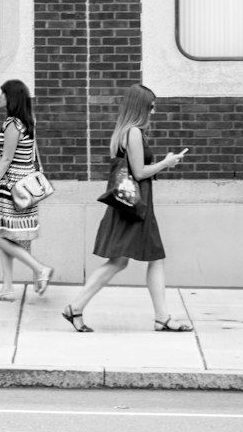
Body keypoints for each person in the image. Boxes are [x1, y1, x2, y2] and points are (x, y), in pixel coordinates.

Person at [61, 83, 190, 333]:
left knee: (127, 261)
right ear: (141, 106)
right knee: (137, 260)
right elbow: (140, 172)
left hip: (132, 205)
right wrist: (166, 162)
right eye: (151, 107)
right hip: (135, 206)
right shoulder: (133, 133)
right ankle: (160, 317)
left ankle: (76, 308)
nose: (153, 111)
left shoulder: (125, 132)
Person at [0, 79, 54, 301]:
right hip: (24, 184)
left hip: (10, 187)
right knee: (6, 234)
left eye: (2, 93)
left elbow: (7, 160)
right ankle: (7, 288)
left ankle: (40, 270)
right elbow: (19, 151)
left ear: (10, 97)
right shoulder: (26, 121)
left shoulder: (13, 123)